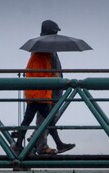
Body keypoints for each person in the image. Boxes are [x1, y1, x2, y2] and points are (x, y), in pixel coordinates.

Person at [14, 20, 75, 155]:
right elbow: (40, 74)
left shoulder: (46, 51)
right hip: (40, 94)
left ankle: (28, 143)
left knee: (40, 119)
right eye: (55, 31)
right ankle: (42, 144)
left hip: (41, 93)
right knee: (47, 120)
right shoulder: (41, 52)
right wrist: (55, 79)